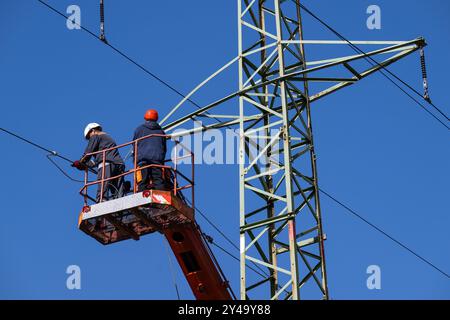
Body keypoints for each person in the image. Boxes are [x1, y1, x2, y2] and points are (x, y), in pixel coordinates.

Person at [72, 122, 125, 202]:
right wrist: (85, 165)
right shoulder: (107, 138)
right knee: (117, 189)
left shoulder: (96, 136)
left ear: (92, 131)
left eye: (89, 136)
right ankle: (120, 201)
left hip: (106, 164)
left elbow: (89, 151)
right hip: (118, 164)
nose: (89, 139)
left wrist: (81, 161)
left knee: (103, 182)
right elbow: (96, 161)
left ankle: (101, 199)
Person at [133, 109, 168, 191]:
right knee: (158, 181)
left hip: (143, 160)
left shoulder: (139, 129)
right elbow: (164, 148)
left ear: (145, 117)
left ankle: (141, 198)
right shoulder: (161, 132)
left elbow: (135, 145)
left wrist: (135, 159)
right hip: (157, 160)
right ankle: (160, 197)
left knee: (142, 181)